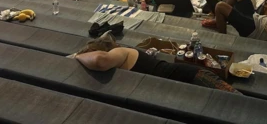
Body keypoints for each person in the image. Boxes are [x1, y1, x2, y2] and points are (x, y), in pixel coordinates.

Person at [74, 33, 238, 93]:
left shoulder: (120, 52)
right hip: (186, 81)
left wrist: (77, 56)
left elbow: (99, 60)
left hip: (194, 76)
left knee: (241, 103)